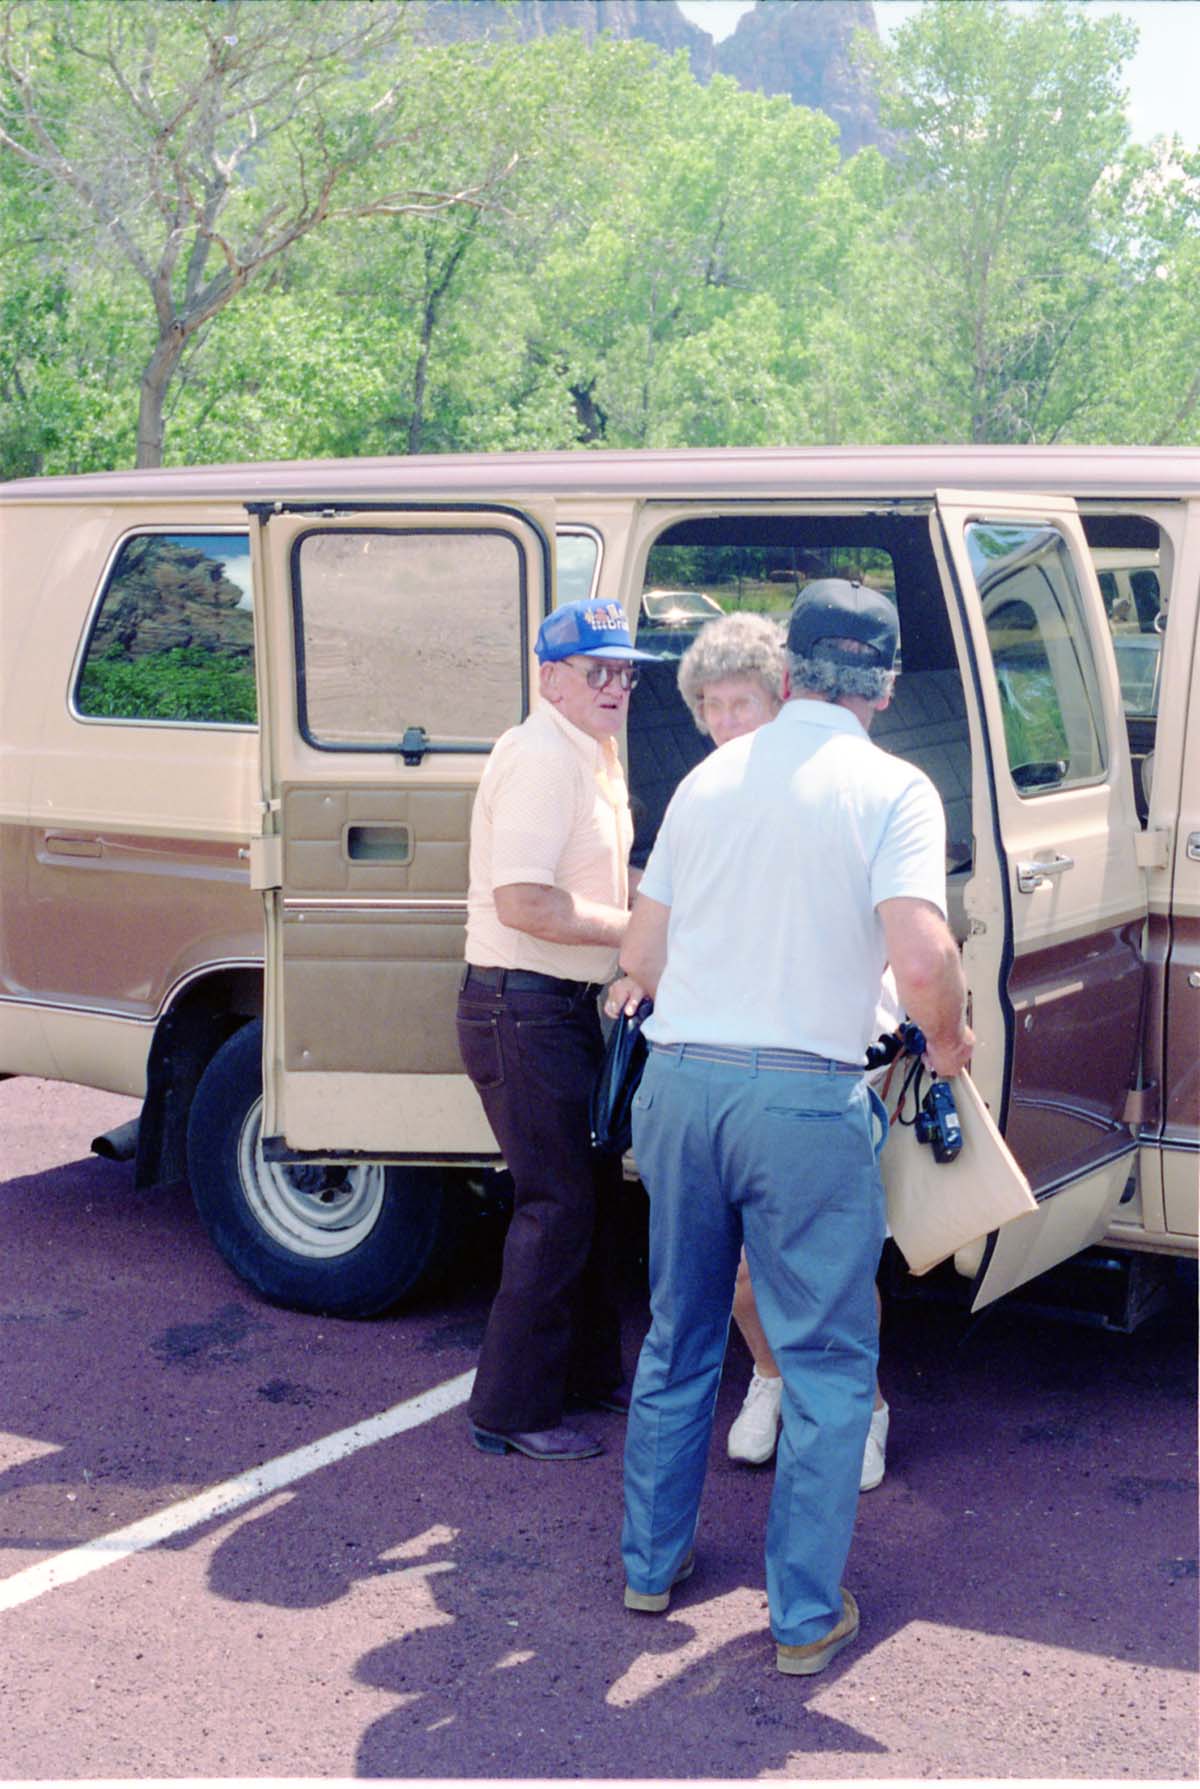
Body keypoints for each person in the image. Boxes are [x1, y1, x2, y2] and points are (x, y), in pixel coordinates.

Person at [613, 579, 973, 1675]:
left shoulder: (709, 776)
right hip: (806, 1098)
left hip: (679, 1084)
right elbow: (921, 958)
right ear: (888, 681)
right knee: (821, 1360)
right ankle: (803, 1616)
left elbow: (640, 960)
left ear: (789, 673)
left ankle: (649, 1563)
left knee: (679, 1334)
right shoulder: (894, 786)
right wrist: (949, 1046)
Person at [675, 612, 891, 1488]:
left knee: (829, 1266)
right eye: (713, 705)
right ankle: (770, 1377)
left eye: (744, 701)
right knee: (739, 1271)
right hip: (729, 1060)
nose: (727, 721)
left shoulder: (839, 783)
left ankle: (863, 1407)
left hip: (824, 1056)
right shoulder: (708, 788)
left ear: (787, 696)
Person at [456, 596, 655, 1464]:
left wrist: (665, 899)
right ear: (551, 680)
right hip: (521, 1007)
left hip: (560, 1008)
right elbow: (524, 902)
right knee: (558, 1204)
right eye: (597, 669)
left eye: (626, 671)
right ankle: (509, 1409)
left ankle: (584, 1376)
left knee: (593, 1198)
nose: (616, 685)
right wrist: (640, 932)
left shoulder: (591, 751)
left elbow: (605, 872)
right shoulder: (541, 756)